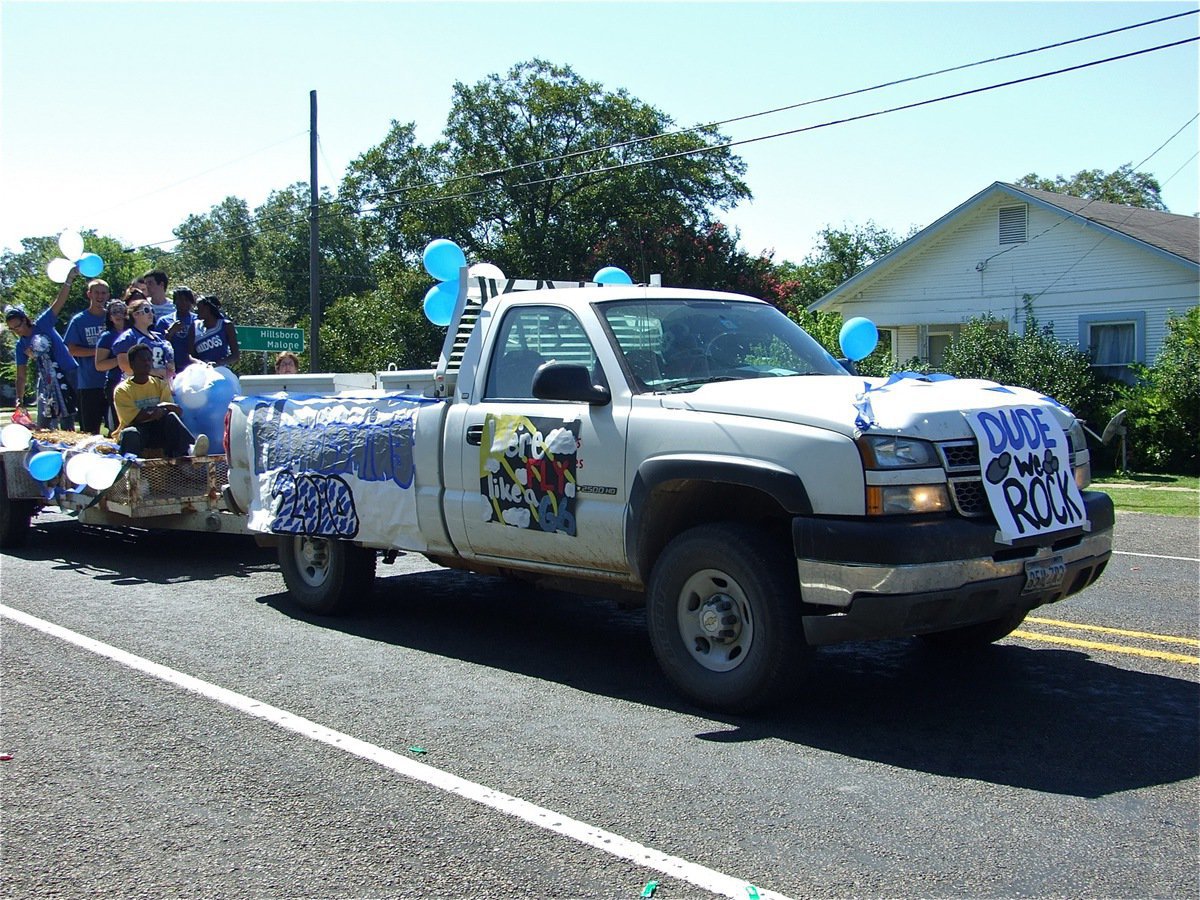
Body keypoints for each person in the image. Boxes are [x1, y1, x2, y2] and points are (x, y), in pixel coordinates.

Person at [5, 266, 81, 429]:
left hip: (68, 372)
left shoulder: (43, 324)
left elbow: (58, 303)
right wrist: (19, 398)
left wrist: (69, 280)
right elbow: (21, 375)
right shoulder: (21, 345)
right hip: (47, 379)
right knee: (44, 419)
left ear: (25, 320)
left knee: (68, 415)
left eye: (17, 326)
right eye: (12, 329)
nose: (16, 331)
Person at [113, 342, 207, 460]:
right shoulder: (122, 390)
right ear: (132, 364)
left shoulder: (160, 384)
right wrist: (157, 410)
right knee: (130, 433)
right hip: (138, 429)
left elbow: (175, 410)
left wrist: (158, 410)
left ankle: (190, 449)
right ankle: (131, 467)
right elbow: (133, 418)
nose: (147, 363)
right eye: (142, 360)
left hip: (157, 429)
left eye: (149, 359)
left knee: (171, 417)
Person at [64, 278, 112, 433]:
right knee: (89, 431)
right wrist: (99, 352)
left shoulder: (113, 318)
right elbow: (71, 349)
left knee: (115, 429)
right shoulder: (79, 320)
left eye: (103, 293)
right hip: (89, 383)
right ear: (89, 294)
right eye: (97, 292)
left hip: (113, 381)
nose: (100, 296)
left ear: (108, 295)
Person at [114, 297, 175, 382]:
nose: (151, 314)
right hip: (138, 385)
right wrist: (152, 371)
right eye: (146, 310)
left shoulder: (159, 337)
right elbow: (125, 365)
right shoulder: (128, 337)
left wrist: (169, 367)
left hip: (161, 384)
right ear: (135, 314)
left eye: (152, 310)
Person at [93, 299, 129, 434]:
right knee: (118, 423)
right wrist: (122, 359)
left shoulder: (134, 332)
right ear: (110, 316)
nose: (118, 315)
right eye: (114, 312)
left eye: (121, 311)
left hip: (135, 382)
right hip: (115, 382)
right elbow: (99, 365)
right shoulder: (106, 337)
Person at [188, 295, 239, 367]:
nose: (196, 310)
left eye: (199, 307)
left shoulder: (226, 325)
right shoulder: (195, 326)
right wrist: (200, 363)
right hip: (201, 369)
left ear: (208, 309)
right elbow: (190, 355)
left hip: (221, 368)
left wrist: (218, 363)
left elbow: (235, 356)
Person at [154, 286, 196, 373]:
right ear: (174, 301)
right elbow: (157, 345)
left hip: (194, 366)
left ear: (191, 302)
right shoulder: (164, 321)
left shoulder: (198, 320)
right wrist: (170, 332)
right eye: (180, 300)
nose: (183, 303)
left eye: (187, 300)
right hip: (172, 367)